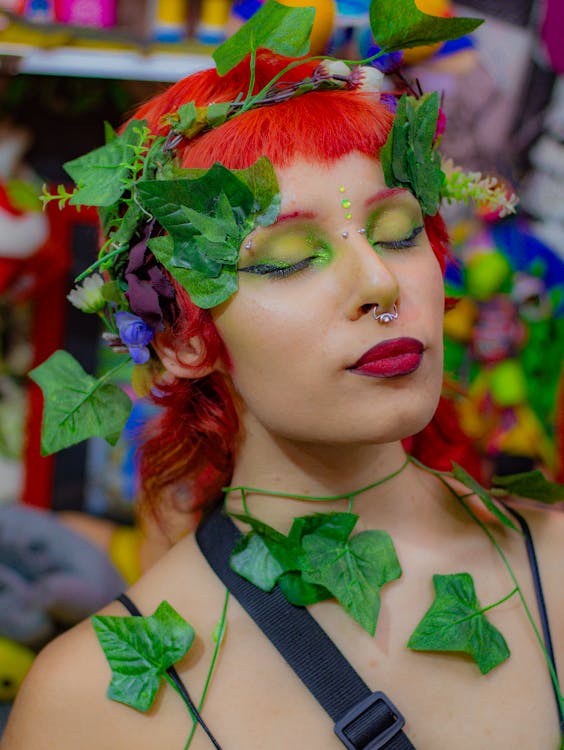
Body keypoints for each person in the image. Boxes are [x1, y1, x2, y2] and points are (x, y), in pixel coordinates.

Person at [2, 5, 563, 747]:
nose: (380, 283)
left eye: (397, 233)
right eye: (287, 258)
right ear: (182, 341)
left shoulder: (555, 572)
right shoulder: (85, 708)